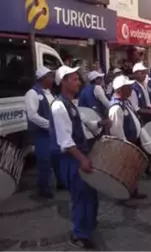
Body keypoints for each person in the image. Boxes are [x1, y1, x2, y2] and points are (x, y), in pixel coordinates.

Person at [51, 65, 110, 249]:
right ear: (64, 82)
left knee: (90, 194)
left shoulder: (70, 103)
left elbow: (82, 126)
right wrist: (82, 159)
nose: (78, 82)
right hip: (72, 159)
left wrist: (100, 122)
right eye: (75, 79)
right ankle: (79, 234)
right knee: (80, 197)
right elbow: (65, 140)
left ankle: (89, 225)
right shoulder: (59, 106)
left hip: (79, 155)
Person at [109, 75, 148, 202]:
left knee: (133, 169)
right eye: (128, 87)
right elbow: (117, 131)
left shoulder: (126, 102)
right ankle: (121, 195)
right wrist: (126, 148)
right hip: (125, 145)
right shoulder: (116, 108)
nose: (131, 89)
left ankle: (133, 190)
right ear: (120, 89)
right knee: (123, 171)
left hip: (133, 141)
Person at [25, 66, 60, 198]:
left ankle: (59, 183)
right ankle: (43, 189)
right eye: (50, 77)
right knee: (44, 160)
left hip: (53, 132)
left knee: (56, 158)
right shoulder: (32, 93)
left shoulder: (50, 92)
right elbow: (32, 115)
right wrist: (49, 125)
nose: (52, 80)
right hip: (42, 133)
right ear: (43, 78)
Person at [129, 62, 151, 176]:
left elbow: (148, 102)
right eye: (141, 73)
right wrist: (148, 111)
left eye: (145, 72)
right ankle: (141, 169)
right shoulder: (133, 89)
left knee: (149, 143)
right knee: (143, 145)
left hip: (148, 118)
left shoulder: (144, 85)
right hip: (141, 120)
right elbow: (135, 108)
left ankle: (147, 167)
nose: (144, 75)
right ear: (135, 74)